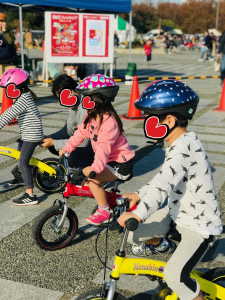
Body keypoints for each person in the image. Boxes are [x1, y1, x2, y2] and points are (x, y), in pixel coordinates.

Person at [118, 79, 222, 300]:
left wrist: (138, 213)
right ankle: (164, 244)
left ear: (170, 119)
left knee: (174, 276)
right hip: (177, 214)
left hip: (199, 225)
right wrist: (138, 195)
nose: (146, 121)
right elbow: (162, 178)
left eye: (149, 117)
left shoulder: (184, 147)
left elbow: (162, 187)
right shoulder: (177, 142)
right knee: (132, 236)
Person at [59, 74, 135, 226]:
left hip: (121, 163)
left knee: (93, 181)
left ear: (99, 99)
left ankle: (104, 211)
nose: (84, 102)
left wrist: (95, 168)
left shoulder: (109, 123)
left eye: (88, 98)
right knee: (88, 184)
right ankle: (110, 203)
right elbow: (80, 132)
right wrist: (68, 148)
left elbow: (103, 148)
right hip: (110, 161)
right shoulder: (92, 115)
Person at [0, 68, 44, 206]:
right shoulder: (24, 97)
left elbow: (7, 115)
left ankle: (30, 195)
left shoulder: (23, 100)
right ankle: (21, 178)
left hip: (32, 136)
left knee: (22, 162)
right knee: (19, 155)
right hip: (28, 134)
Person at [0, 13, 17, 103]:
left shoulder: (9, 32)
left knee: (10, 82)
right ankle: (1, 102)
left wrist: (5, 31)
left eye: (2, 21)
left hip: (9, 61)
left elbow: (10, 42)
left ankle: (12, 101)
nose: (1, 23)